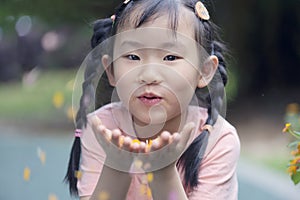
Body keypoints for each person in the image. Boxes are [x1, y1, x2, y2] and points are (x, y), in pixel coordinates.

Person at [65, 0, 240, 199]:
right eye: (132, 57)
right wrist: (117, 166)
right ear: (111, 70)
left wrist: (163, 172)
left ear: (204, 71)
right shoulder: (102, 128)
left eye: (170, 58)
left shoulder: (217, 139)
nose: (149, 75)